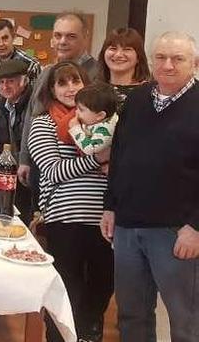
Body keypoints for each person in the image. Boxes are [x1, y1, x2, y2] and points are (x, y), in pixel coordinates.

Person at [101, 31, 199, 342]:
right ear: (151, 60)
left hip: (176, 232)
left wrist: (196, 227)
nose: (167, 65)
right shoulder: (138, 99)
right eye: (161, 57)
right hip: (128, 227)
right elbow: (119, 155)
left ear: (194, 64)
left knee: (186, 321)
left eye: (178, 59)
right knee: (132, 315)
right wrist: (110, 206)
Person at [26, 61, 111, 342]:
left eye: (76, 81)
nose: (70, 88)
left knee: (101, 288)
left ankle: (89, 336)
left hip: (104, 219)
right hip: (65, 220)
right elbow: (52, 171)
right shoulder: (43, 124)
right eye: (62, 83)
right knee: (67, 290)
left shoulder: (105, 122)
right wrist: (98, 158)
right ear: (51, 89)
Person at [18, 12, 99, 210]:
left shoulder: (97, 72)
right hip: (43, 164)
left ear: (85, 37)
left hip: (80, 173)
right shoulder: (46, 72)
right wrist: (24, 159)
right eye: (58, 35)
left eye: (71, 36)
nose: (62, 41)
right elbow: (32, 114)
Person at [0, 60, 32, 217]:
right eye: (1, 82)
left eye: (10, 82)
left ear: (23, 81)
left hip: (29, 173)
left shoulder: (34, 105)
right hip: (7, 172)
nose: (5, 87)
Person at [0, 20, 41, 113]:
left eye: (5, 38)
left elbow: (35, 101)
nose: (1, 44)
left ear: (13, 37)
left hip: (17, 124)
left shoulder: (30, 64)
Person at [94, 27, 151, 114]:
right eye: (113, 48)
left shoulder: (149, 93)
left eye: (127, 49)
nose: (118, 55)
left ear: (139, 57)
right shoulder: (92, 90)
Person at [68, 84, 119, 156]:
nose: (76, 112)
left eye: (81, 110)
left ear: (100, 115)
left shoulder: (106, 128)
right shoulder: (95, 120)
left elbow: (90, 149)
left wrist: (75, 128)